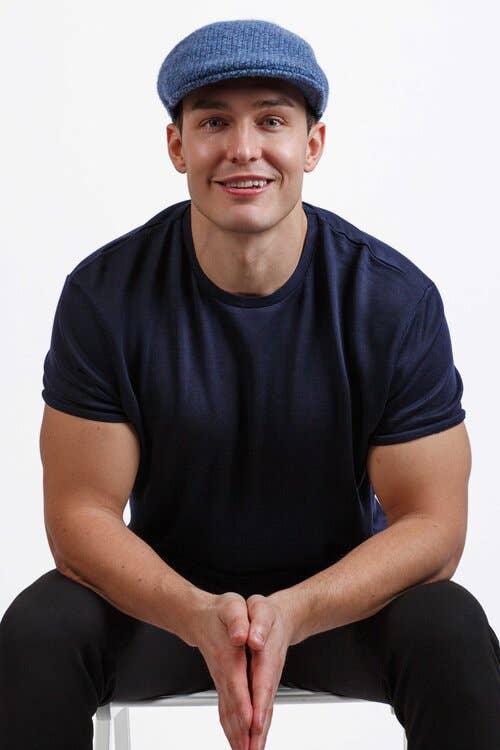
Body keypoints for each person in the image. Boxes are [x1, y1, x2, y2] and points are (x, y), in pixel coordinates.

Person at [0, 18, 499, 750]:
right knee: (37, 632)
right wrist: (199, 614)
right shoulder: (105, 295)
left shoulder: (392, 300)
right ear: (177, 146)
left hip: (338, 605)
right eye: (213, 122)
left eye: (272, 120)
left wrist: (295, 610)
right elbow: (80, 518)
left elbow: (435, 528)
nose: (243, 149)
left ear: (312, 145)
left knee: (451, 627)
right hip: (165, 605)